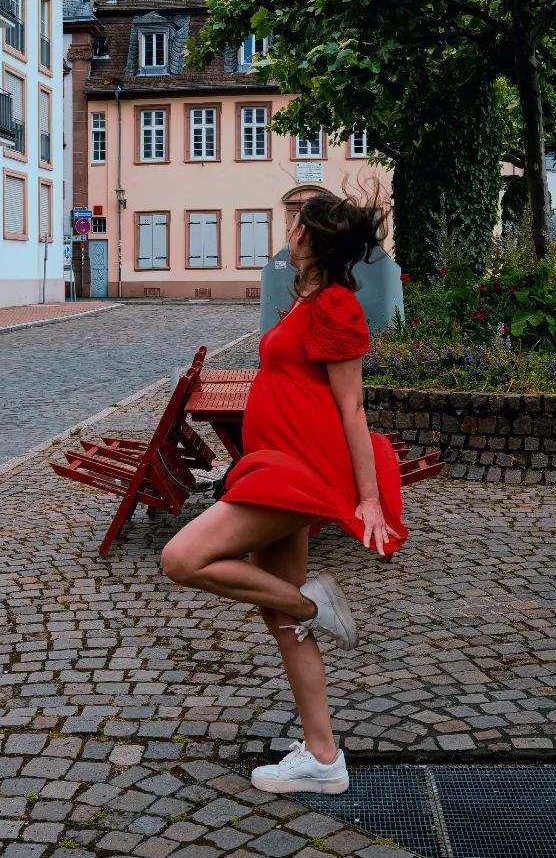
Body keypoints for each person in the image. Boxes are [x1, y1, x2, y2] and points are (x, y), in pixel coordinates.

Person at [161, 190, 407, 795]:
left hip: (295, 474)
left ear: (309, 239)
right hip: (276, 464)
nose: (287, 230)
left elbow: (352, 406)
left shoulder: (334, 306)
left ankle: (313, 605)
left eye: (296, 224)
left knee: (182, 558)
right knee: (279, 616)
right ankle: (324, 757)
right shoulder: (305, 301)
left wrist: (368, 499)